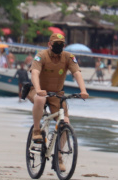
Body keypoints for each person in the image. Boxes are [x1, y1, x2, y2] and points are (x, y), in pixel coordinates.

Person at [28, 33, 89, 171]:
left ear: (64, 46)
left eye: (61, 44)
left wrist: (83, 90)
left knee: (65, 122)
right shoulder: (41, 55)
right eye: (55, 44)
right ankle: (37, 130)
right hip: (39, 90)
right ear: (49, 44)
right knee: (40, 99)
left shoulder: (68, 57)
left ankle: (59, 156)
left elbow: (77, 73)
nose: (58, 47)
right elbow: (35, 73)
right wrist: (38, 89)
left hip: (57, 94)